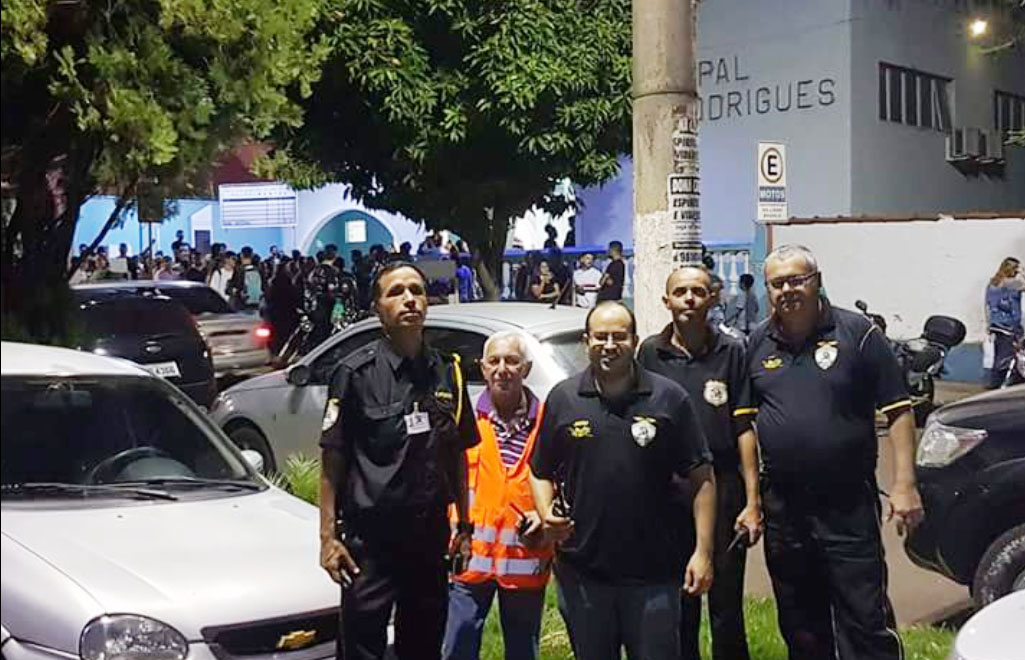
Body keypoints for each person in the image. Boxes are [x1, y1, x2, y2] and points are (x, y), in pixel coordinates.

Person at [746, 244, 923, 660]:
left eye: (797, 280)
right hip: (784, 507)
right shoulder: (757, 342)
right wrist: (752, 499)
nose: (787, 290)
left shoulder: (858, 333)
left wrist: (905, 485)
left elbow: (899, 409)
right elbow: (744, 424)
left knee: (864, 617)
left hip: (847, 503)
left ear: (818, 281)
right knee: (800, 623)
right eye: (777, 283)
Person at [529, 302, 716, 660]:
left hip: (655, 575)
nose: (609, 345)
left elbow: (702, 478)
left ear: (635, 340)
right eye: (601, 337)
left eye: (619, 336)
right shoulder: (564, 398)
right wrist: (546, 512)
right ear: (586, 341)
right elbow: (540, 470)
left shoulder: (669, 398)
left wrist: (703, 552)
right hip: (583, 574)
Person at [318, 262, 480, 660]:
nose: (409, 299)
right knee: (362, 650)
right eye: (396, 292)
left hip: (428, 540)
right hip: (370, 544)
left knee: (423, 647)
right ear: (378, 308)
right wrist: (328, 539)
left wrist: (464, 525)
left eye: (416, 290)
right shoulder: (354, 373)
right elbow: (332, 459)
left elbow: (458, 453)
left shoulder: (448, 372)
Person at [638, 266, 761, 660]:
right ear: (667, 301)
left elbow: (744, 428)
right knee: (679, 601)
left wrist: (752, 501)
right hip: (669, 492)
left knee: (726, 602)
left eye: (697, 291)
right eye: (680, 292)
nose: (689, 298)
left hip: (723, 488)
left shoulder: (732, 351)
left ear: (713, 297)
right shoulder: (649, 353)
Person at [442, 331, 553, 660]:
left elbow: (563, 482)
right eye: (494, 361)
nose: (502, 369)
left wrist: (545, 515)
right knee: (458, 644)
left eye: (512, 361)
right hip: (469, 557)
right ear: (483, 368)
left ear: (526, 368)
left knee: (522, 650)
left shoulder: (547, 422)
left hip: (524, 561)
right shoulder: (464, 420)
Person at [985, 256, 1024, 389]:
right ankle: (1001, 384)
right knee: (1009, 356)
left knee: (999, 355)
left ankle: (994, 382)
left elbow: (988, 306)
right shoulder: (1013, 283)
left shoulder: (993, 283)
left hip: (997, 325)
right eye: (1016, 268)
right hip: (1010, 326)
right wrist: (1023, 272)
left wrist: (988, 324)